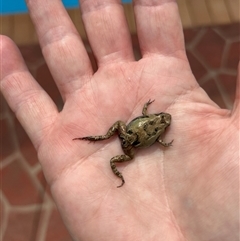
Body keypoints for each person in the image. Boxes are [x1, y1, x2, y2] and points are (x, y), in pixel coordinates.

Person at [1, 0, 239, 240]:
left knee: (117, 129)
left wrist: (155, 131)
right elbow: (151, 129)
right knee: (118, 136)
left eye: (164, 123)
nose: (164, 121)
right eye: (162, 121)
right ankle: (105, 148)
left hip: (130, 138)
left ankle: (108, 152)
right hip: (132, 142)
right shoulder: (156, 130)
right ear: (159, 120)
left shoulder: (155, 129)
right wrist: (160, 137)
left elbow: (149, 124)